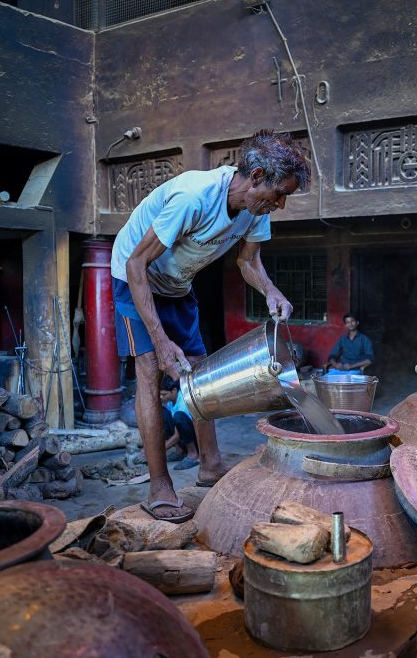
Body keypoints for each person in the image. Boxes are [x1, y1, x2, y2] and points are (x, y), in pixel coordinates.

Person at [111, 129, 309, 523]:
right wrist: (160, 340)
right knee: (151, 371)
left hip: (177, 284)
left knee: (199, 371)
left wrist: (271, 291)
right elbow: (137, 264)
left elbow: (248, 263)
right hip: (133, 278)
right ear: (255, 177)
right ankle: (159, 486)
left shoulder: (255, 211)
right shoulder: (194, 197)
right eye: (279, 193)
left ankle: (210, 465)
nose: (281, 204)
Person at [159, 375, 199, 470]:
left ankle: (193, 453)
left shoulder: (183, 403)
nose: (161, 397)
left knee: (178, 417)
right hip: (183, 437)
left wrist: (159, 452)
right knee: (163, 413)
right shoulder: (170, 401)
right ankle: (179, 451)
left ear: (174, 390)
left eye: (164, 394)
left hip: (194, 438)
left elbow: (177, 436)